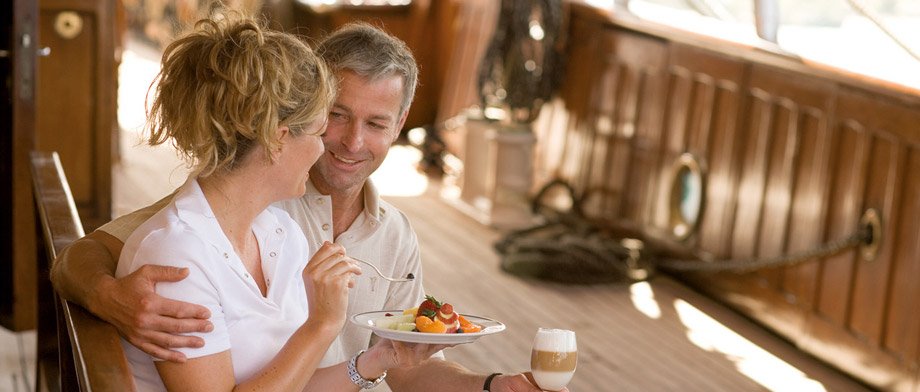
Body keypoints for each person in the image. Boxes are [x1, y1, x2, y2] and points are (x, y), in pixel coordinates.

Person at [52, 21, 563, 392]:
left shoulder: (281, 228)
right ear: (280, 132)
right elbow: (88, 251)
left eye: (377, 124)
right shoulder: (211, 224)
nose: (344, 143)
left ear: (401, 121)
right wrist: (105, 294)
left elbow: (404, 368)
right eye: (330, 119)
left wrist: (485, 384)